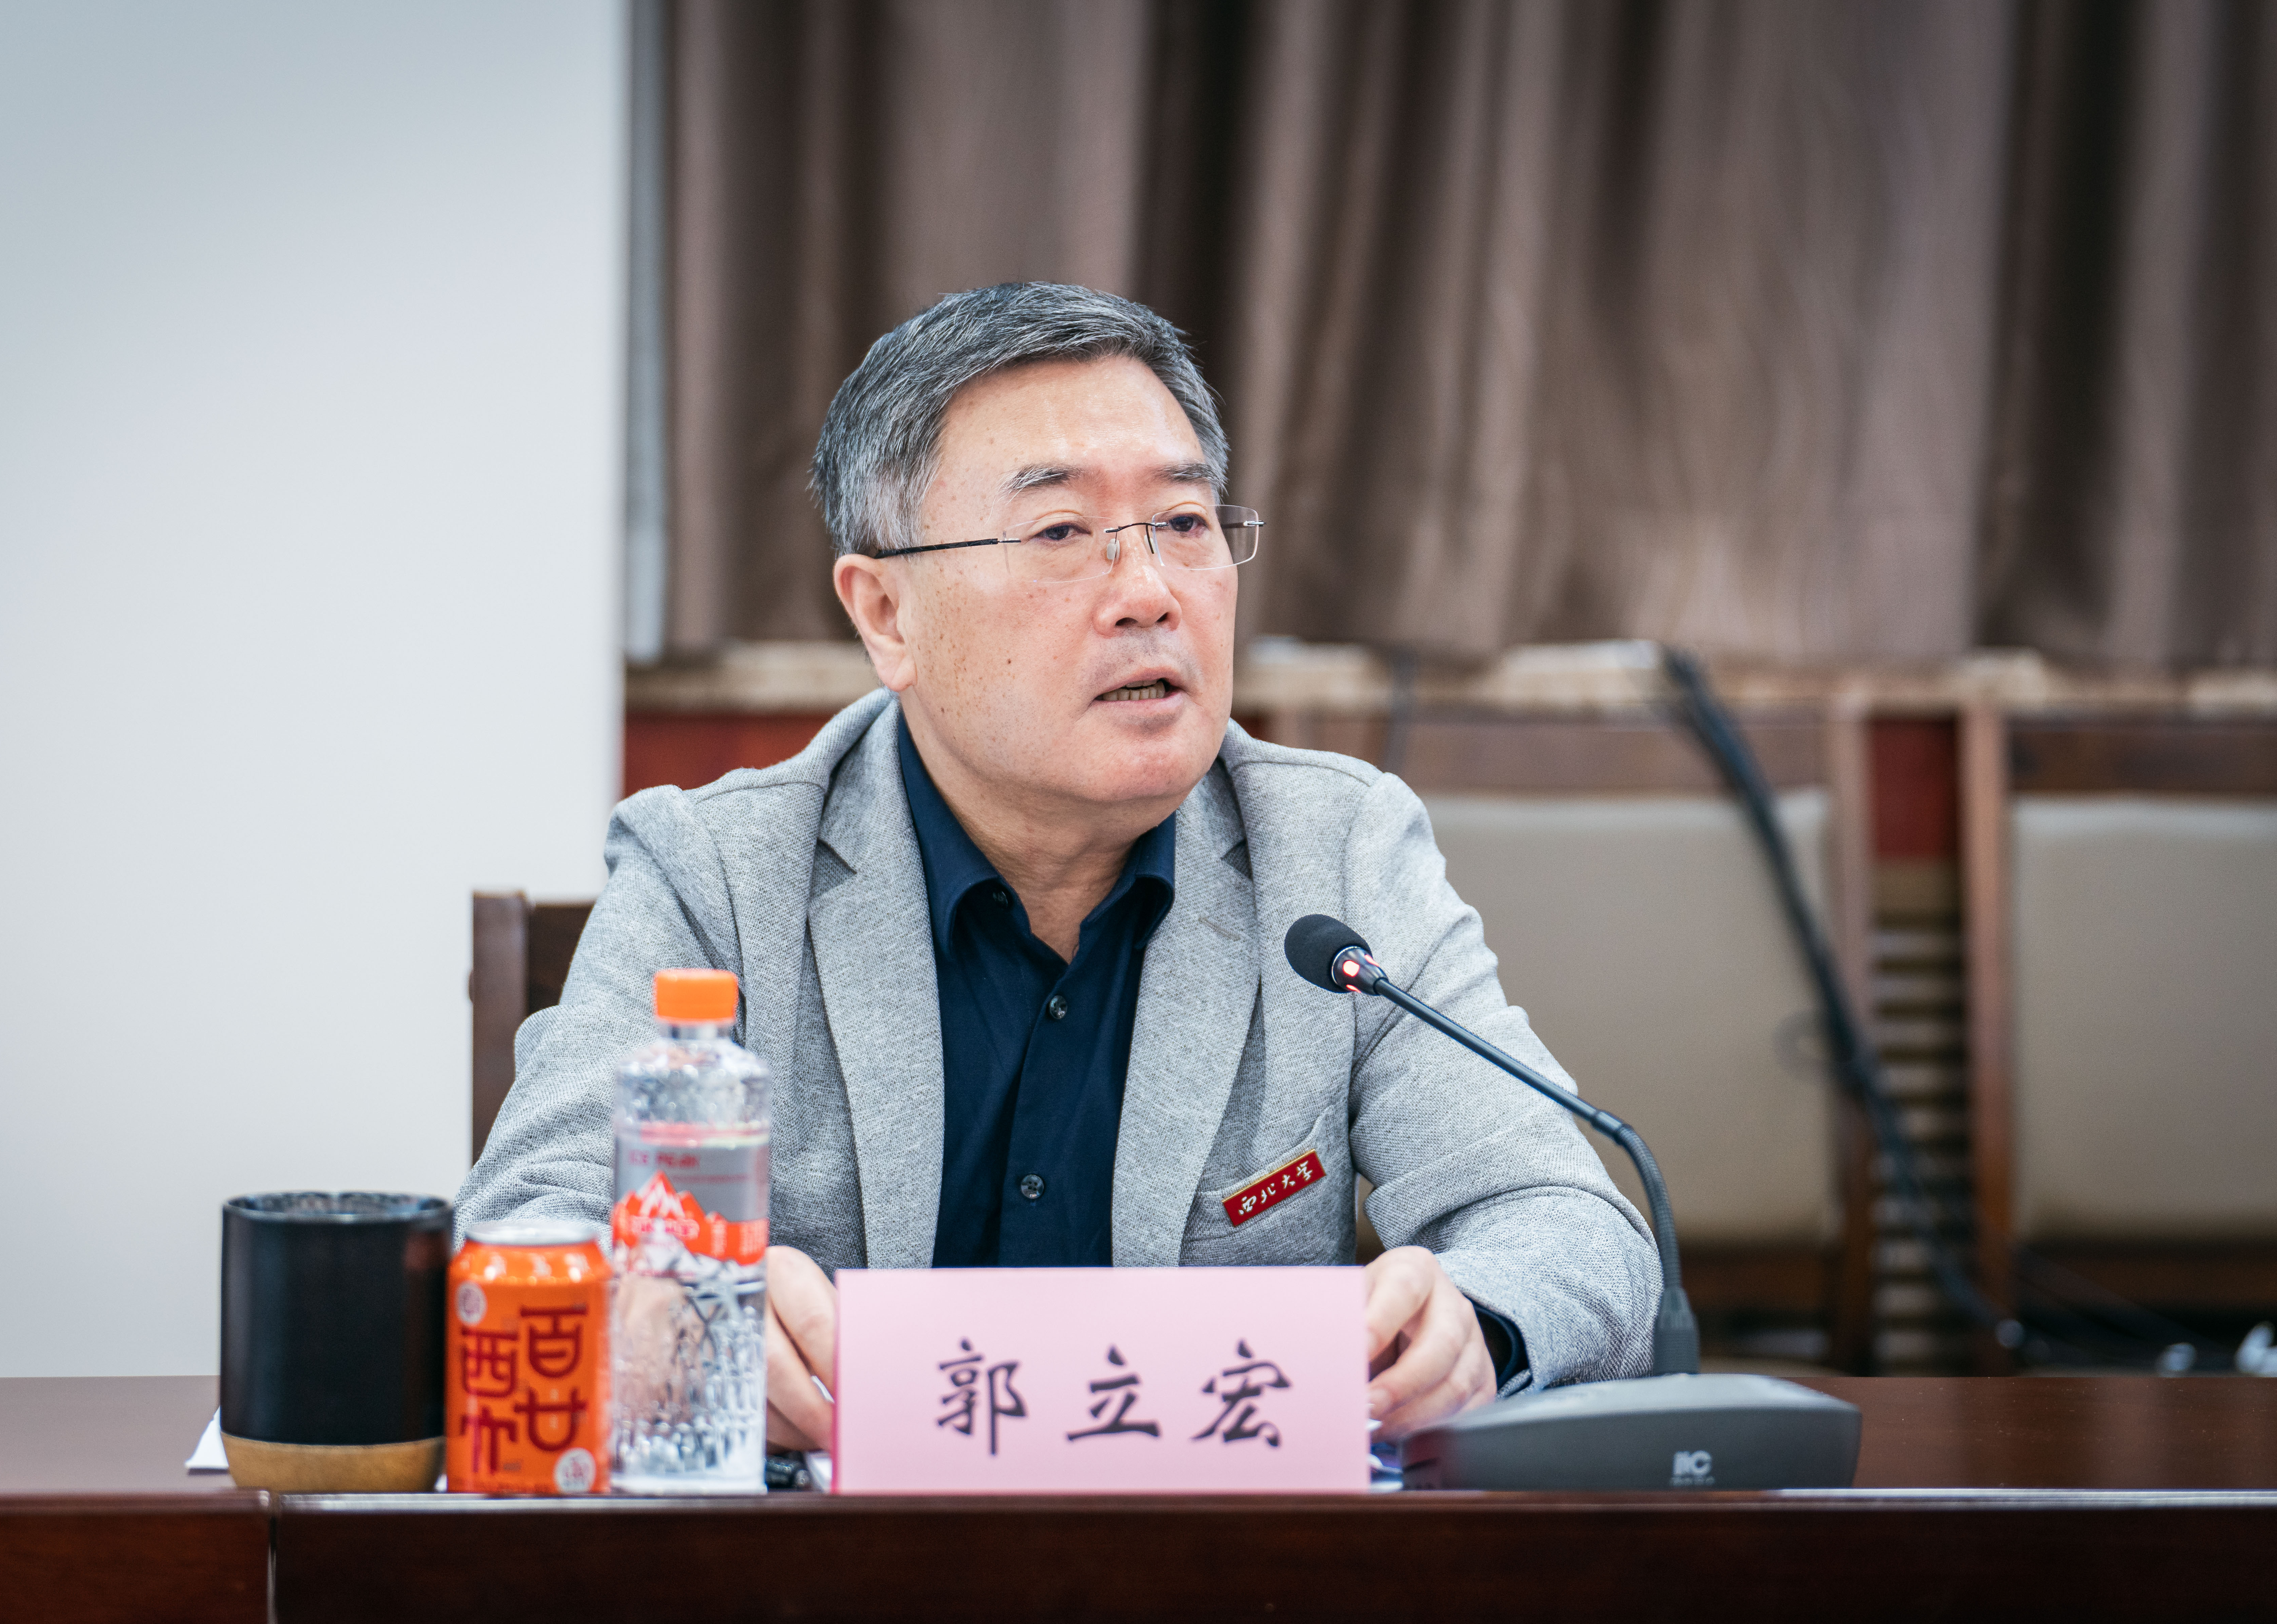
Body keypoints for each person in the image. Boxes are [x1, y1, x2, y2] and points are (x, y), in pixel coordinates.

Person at [457, 282, 1659, 1453]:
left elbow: (1561, 1222)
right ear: (886, 615)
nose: (1148, 594)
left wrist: (1478, 1330)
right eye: (1059, 534)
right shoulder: (716, 874)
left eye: (1183, 524)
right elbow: (519, 1235)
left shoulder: (1332, 851)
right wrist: (671, 1318)